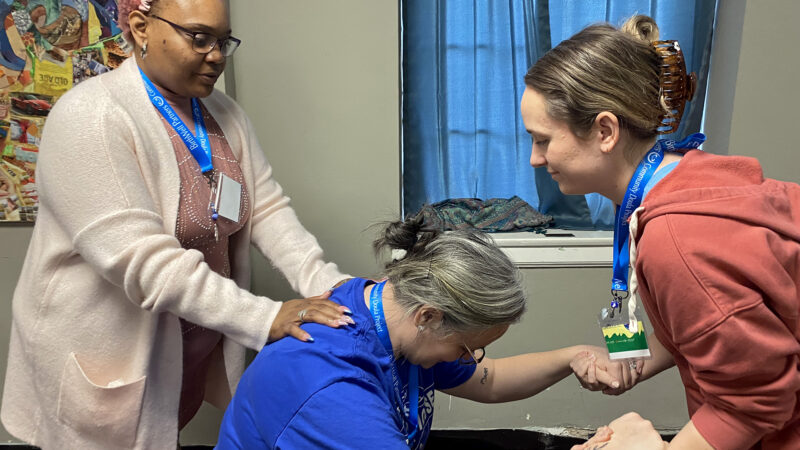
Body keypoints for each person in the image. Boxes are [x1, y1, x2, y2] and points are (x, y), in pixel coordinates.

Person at [0, 0, 355, 448]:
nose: (217, 56)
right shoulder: (90, 116)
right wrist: (268, 316)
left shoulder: (224, 114)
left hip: (184, 348)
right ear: (141, 27)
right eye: (199, 38)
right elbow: (146, 262)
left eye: (223, 41)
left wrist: (334, 288)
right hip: (104, 354)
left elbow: (266, 209)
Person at [522, 14, 800, 450]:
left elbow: (756, 401)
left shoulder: (677, 238)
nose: (536, 159)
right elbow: (706, 318)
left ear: (605, 131)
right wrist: (631, 360)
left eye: (542, 140)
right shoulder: (683, 177)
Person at [215, 217, 615, 449]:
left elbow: (490, 380)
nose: (467, 361)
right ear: (429, 316)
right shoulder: (334, 392)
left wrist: (572, 356)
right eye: (465, 348)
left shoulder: (388, 306)